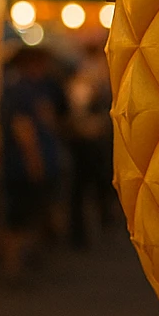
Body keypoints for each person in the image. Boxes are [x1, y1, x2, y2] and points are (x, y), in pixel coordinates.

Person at [0, 47, 62, 279]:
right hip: (23, 167)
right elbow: (23, 130)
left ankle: (25, 261)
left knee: (31, 214)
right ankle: (14, 265)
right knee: (19, 218)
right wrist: (35, 163)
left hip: (36, 162)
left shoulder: (40, 88)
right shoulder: (20, 91)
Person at [66, 45, 116, 249]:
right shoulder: (82, 85)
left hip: (92, 141)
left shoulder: (96, 84)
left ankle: (96, 222)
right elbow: (78, 116)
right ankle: (79, 233)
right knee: (81, 187)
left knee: (94, 183)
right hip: (83, 143)